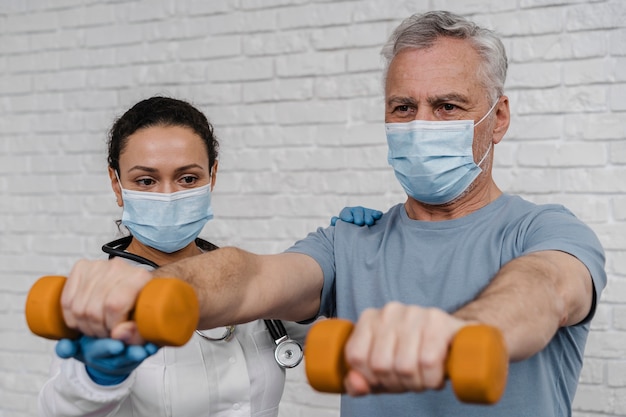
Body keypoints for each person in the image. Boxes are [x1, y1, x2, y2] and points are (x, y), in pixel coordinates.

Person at [56, 11, 606, 417]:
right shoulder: (352, 242)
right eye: (403, 108)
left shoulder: (546, 231)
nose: (422, 125)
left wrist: (457, 334)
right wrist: (151, 288)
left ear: (498, 117)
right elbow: (250, 279)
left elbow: (543, 291)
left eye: (448, 106)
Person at [37, 96, 379, 417]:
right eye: (146, 180)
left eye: (188, 178)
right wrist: (98, 378)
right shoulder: (102, 299)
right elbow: (61, 407)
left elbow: (349, 346)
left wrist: (357, 254)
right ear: (117, 184)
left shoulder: (242, 280)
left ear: (212, 176)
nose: (168, 195)